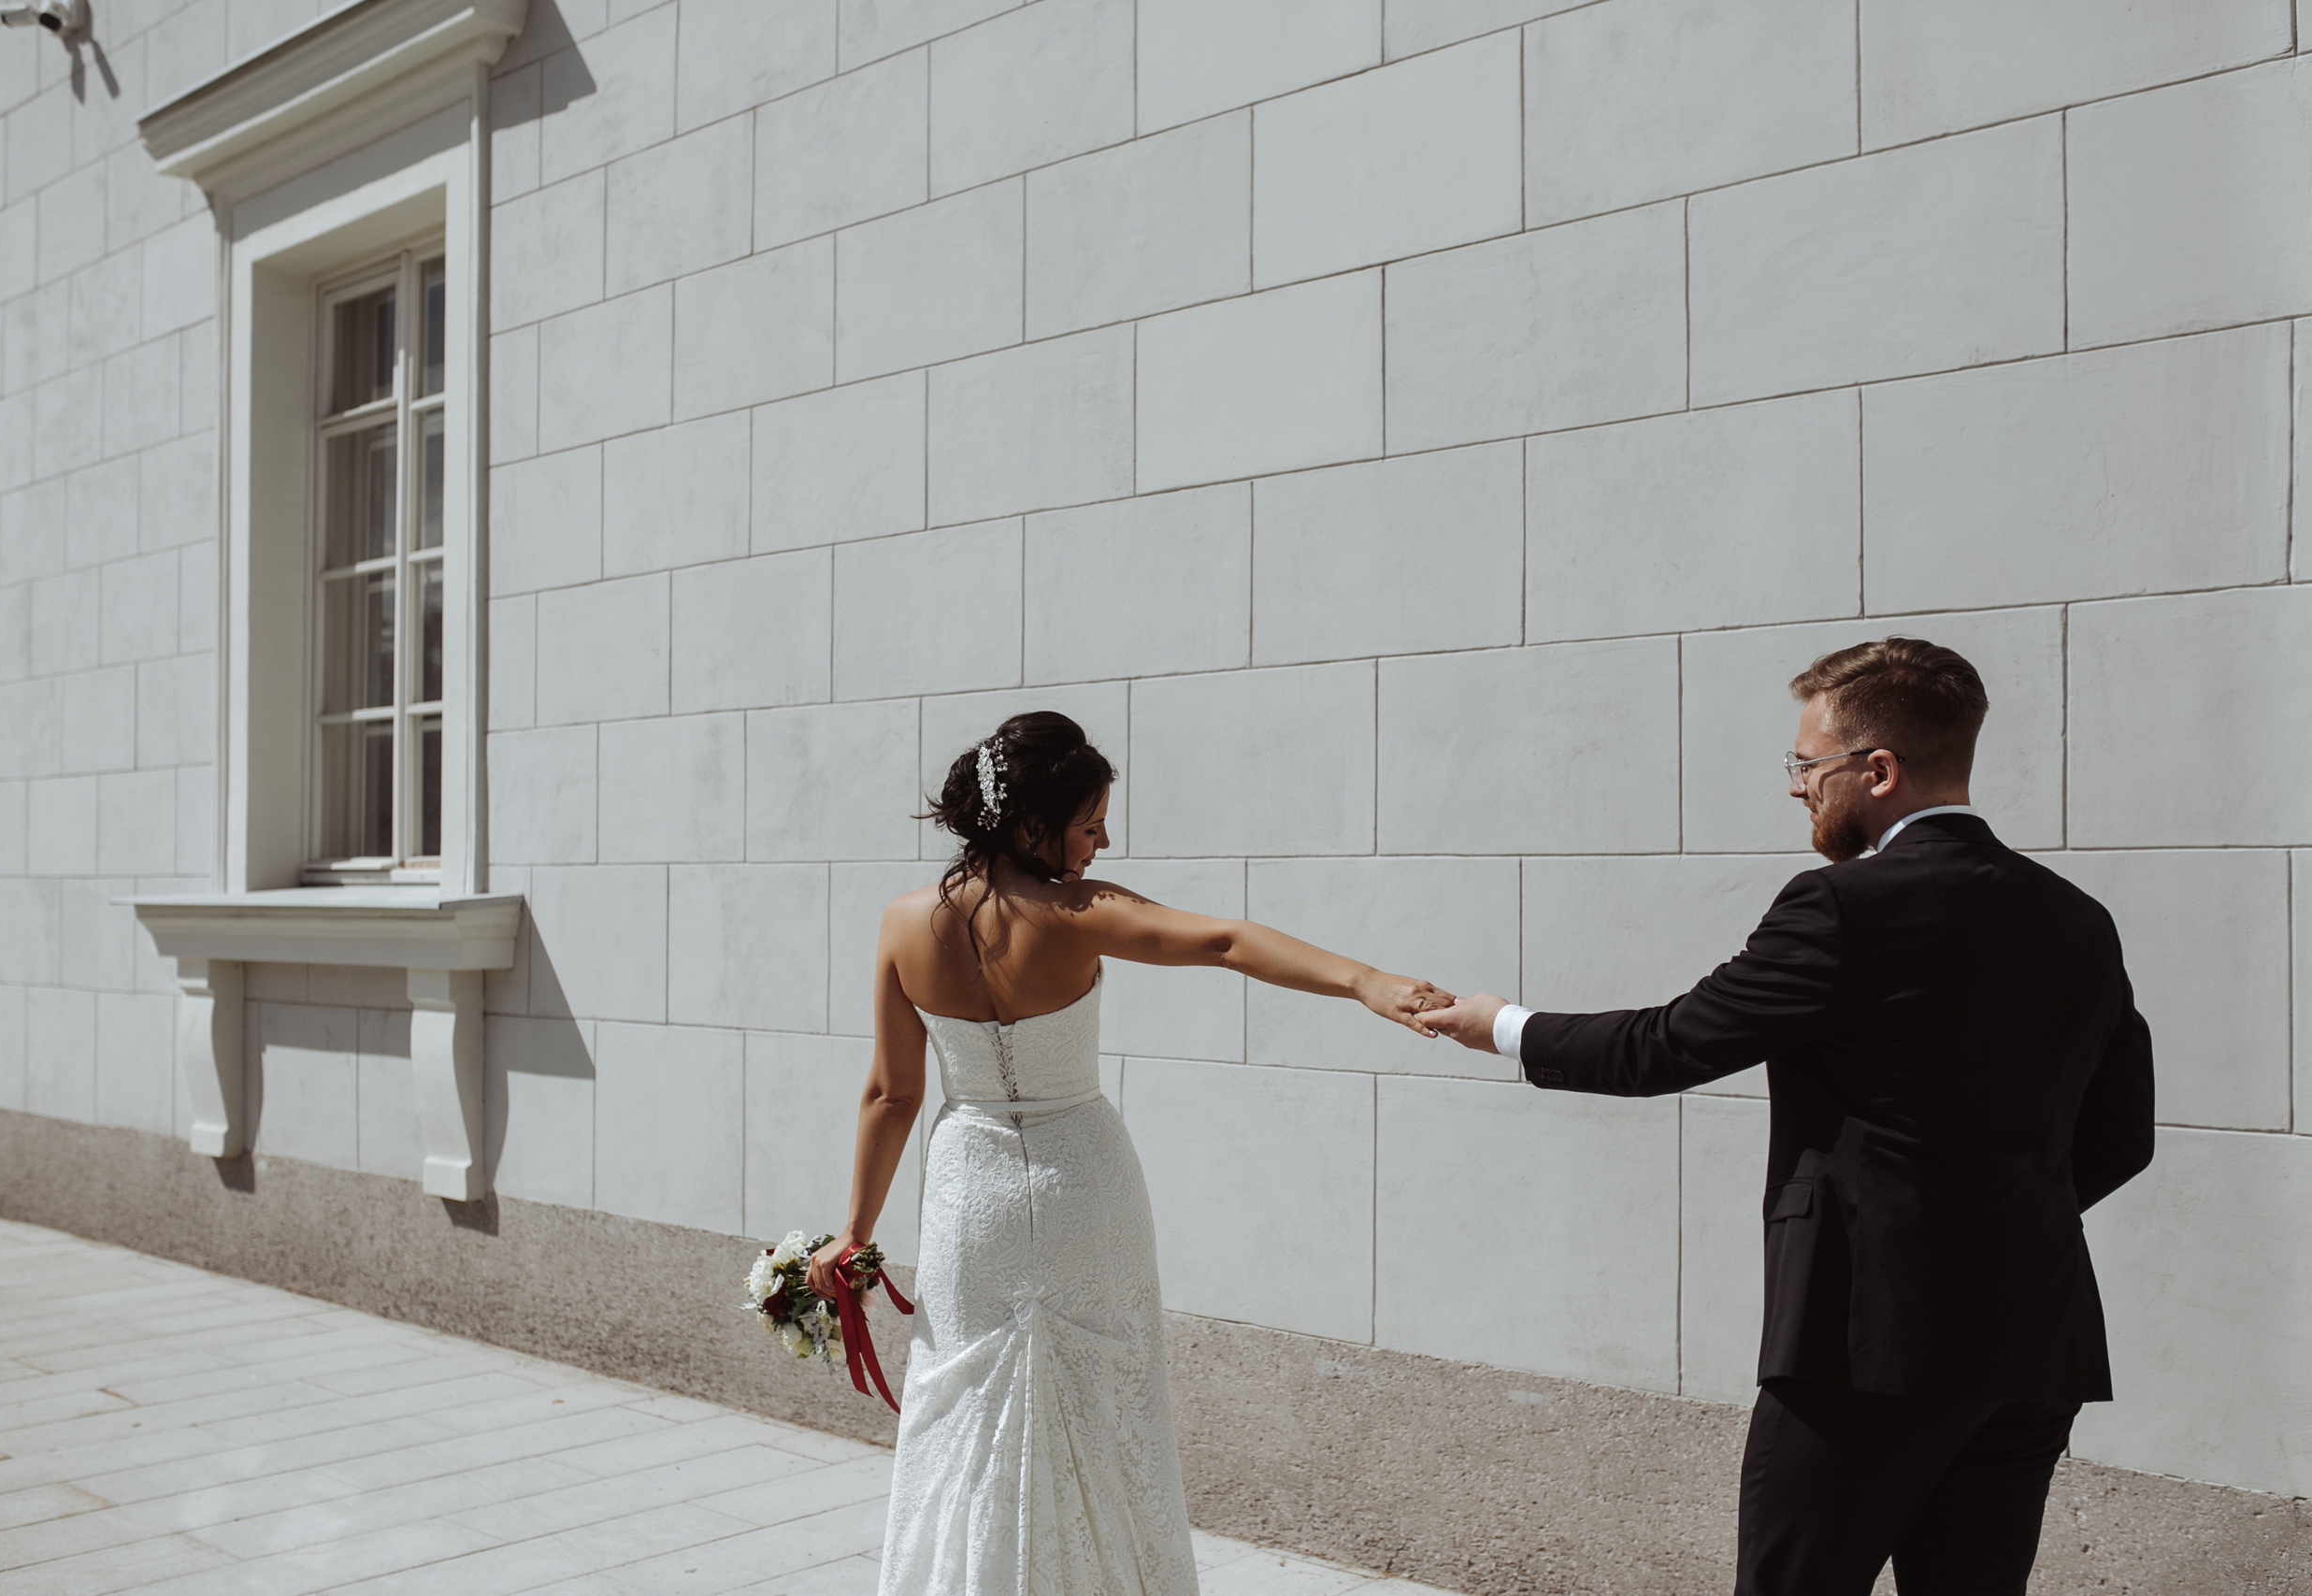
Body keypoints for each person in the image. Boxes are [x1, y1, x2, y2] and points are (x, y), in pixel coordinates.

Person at [1420, 637, 2156, 1596]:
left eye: (1805, 766)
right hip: (2030, 1344)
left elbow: (1670, 1043)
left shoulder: (1843, 908)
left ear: (1877, 770)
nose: (1795, 788)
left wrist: (1503, 1026)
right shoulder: (2074, 917)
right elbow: (2119, 1136)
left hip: (1867, 1345)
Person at [808, 711, 1447, 1595]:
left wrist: (853, 1231)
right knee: (1107, 1416)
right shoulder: (1076, 914)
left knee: (961, 1414)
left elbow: (893, 1094)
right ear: (1031, 823)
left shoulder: (902, 923)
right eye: (1089, 822)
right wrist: (1365, 981)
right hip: (1083, 1183)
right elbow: (1225, 940)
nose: (1104, 839)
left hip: (970, 1200)